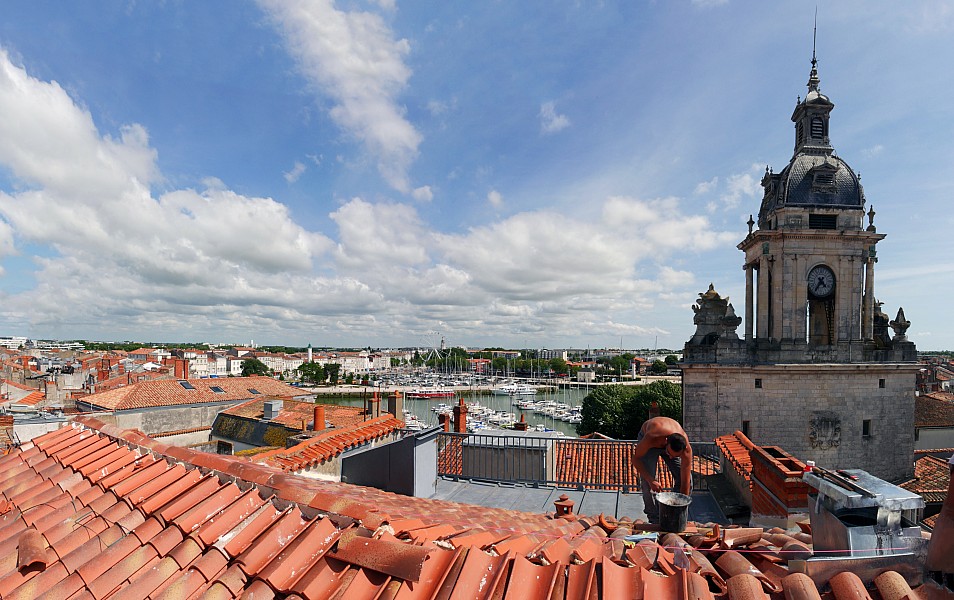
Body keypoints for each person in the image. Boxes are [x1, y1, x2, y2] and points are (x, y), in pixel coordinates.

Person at [632, 416, 693, 524]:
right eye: (669, 453)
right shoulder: (651, 437)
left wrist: (681, 507)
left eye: (675, 456)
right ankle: (654, 518)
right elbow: (635, 459)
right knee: (647, 483)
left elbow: (685, 483)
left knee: (689, 482)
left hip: (667, 440)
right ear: (666, 442)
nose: (670, 458)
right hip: (651, 443)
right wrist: (651, 480)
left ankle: (673, 513)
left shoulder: (686, 450)